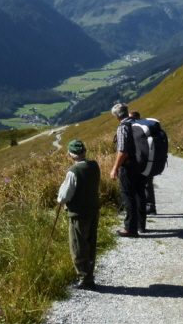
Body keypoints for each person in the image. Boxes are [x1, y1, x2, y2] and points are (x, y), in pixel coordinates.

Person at [57, 140, 101, 290]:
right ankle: (89, 273)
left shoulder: (73, 171)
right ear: (84, 151)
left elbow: (64, 196)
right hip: (93, 209)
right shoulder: (94, 165)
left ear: (70, 154)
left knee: (78, 245)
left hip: (78, 213)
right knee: (90, 242)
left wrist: (60, 200)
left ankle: (85, 278)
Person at [110, 103, 146, 237]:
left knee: (127, 194)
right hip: (141, 165)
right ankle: (141, 225)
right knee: (139, 193)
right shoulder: (137, 123)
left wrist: (115, 168)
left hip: (129, 166)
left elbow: (122, 151)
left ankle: (130, 229)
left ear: (116, 116)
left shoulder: (123, 127)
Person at [129, 110, 157, 215]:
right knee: (147, 183)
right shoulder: (145, 129)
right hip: (150, 161)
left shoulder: (137, 130)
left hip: (141, 162)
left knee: (140, 184)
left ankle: (141, 207)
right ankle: (150, 206)